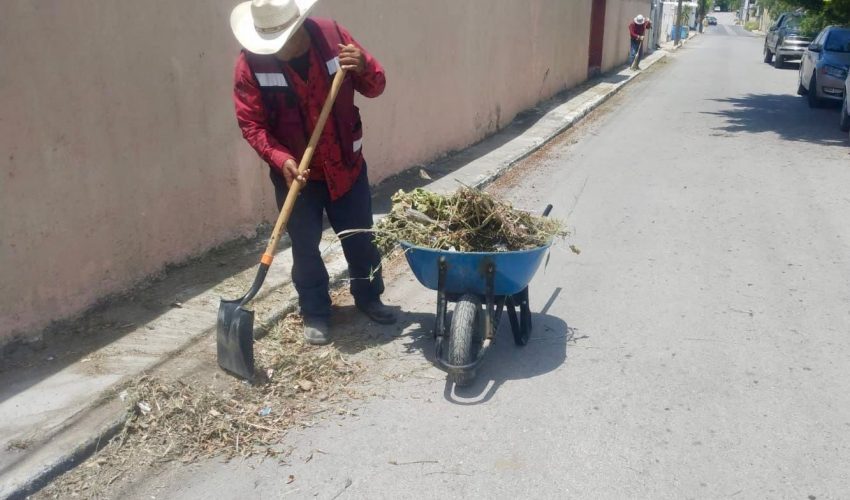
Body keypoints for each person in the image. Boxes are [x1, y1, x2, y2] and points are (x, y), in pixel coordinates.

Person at [230, 0, 396, 345]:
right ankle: (316, 311)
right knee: (305, 248)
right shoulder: (250, 63)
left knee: (361, 237)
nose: (280, 50)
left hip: (345, 166)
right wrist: (279, 158)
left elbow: (375, 86)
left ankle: (369, 297)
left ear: (299, 25)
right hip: (296, 176)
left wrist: (364, 65)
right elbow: (251, 123)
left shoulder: (333, 37)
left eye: (284, 40)